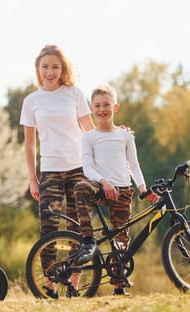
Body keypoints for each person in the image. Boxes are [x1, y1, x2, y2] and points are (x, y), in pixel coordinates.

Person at [20, 44, 94, 298]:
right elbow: (30, 144)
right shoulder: (31, 101)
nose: (50, 72)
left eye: (55, 66)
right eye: (45, 67)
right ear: (38, 70)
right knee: (48, 229)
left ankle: (73, 282)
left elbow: (90, 131)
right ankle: (50, 284)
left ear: (62, 69)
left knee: (78, 228)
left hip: (78, 169)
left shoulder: (74, 94)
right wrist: (33, 178)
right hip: (49, 170)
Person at [73, 84, 159, 296]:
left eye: (106, 105)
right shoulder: (89, 137)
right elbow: (87, 167)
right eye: (97, 106)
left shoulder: (125, 136)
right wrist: (104, 182)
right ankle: (87, 241)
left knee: (121, 240)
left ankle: (119, 286)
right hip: (100, 187)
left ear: (116, 107)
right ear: (91, 109)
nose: (102, 109)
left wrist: (143, 189)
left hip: (123, 191)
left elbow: (134, 164)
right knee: (81, 188)